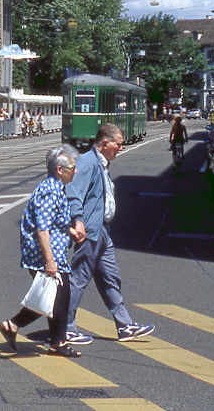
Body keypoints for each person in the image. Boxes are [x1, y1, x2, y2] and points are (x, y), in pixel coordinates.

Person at [64, 124, 155, 344]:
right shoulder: (87, 162)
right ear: (105, 143)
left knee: (111, 278)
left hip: (103, 231)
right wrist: (78, 221)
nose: (121, 148)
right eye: (118, 144)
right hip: (91, 231)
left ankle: (124, 325)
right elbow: (73, 192)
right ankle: (64, 326)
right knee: (79, 278)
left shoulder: (102, 164)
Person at [0, 145, 84, 357]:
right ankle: (51, 340)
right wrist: (49, 261)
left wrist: (70, 230)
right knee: (56, 297)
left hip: (52, 251)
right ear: (59, 170)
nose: (76, 171)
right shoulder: (50, 191)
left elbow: (53, 222)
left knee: (56, 297)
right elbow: (42, 229)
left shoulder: (56, 188)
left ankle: (51, 340)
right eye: (73, 167)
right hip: (43, 254)